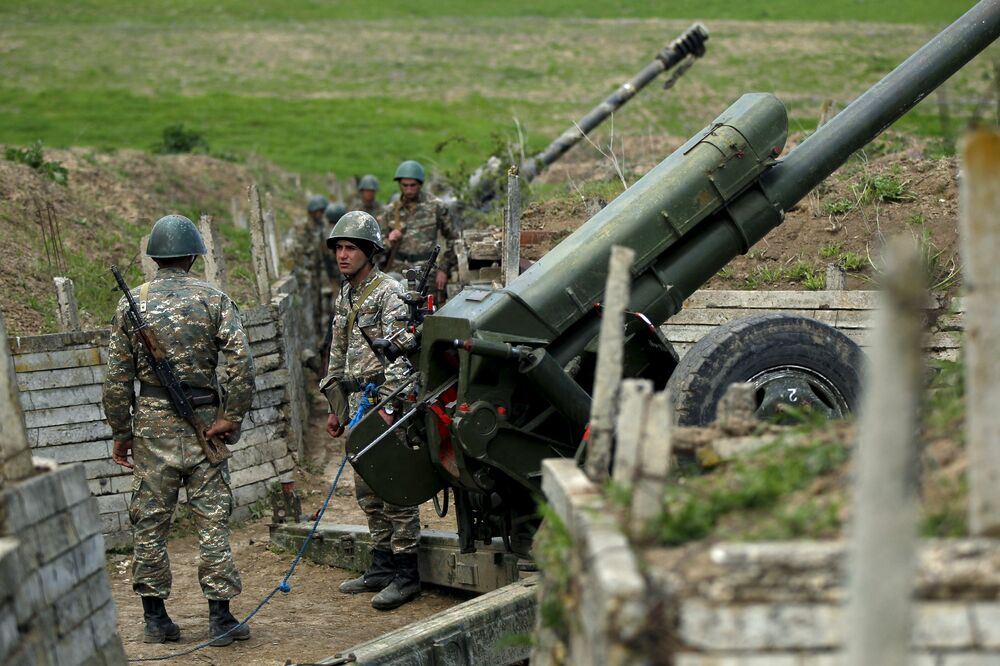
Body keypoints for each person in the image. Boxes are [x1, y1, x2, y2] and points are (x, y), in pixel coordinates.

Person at [103, 214, 256, 647]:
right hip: (206, 422)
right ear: (193, 255)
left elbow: (117, 377)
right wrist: (234, 417)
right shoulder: (215, 299)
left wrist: (122, 430)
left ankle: (156, 620)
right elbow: (242, 363)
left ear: (154, 257)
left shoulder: (132, 303)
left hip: (151, 426)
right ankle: (220, 618)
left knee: (150, 523)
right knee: (212, 521)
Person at [318, 211, 422, 611]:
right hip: (358, 403)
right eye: (339, 248)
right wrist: (335, 407)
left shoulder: (388, 292)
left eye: (350, 248)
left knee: (395, 486)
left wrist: (391, 407)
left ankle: (407, 574)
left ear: (369, 253)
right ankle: (381, 566)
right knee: (367, 490)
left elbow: (402, 354)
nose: (342, 255)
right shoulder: (345, 293)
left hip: (385, 403)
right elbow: (338, 352)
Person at [378, 160, 457, 301]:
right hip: (397, 270)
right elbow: (377, 248)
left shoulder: (436, 207)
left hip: (427, 272)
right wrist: (389, 240)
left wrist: (444, 269)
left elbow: (453, 239)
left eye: (413, 185)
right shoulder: (390, 211)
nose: (408, 189)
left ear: (420, 184)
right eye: (404, 185)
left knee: (425, 313)